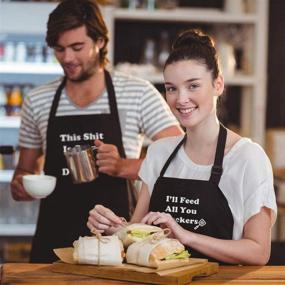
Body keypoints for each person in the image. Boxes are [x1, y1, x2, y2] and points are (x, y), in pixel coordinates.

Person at [10, 0, 182, 263]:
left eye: (77, 47)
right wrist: (22, 185)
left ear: (100, 41)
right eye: (59, 49)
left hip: (117, 241)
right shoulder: (38, 100)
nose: (67, 58)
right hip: (53, 240)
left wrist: (123, 165)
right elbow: (24, 170)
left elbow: (180, 158)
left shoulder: (137, 93)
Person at [87, 29, 277, 265]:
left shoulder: (248, 157)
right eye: (171, 88)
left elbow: (258, 252)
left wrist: (187, 236)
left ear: (218, 85)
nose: (180, 99)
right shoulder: (159, 153)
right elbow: (135, 235)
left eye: (193, 86)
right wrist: (115, 229)